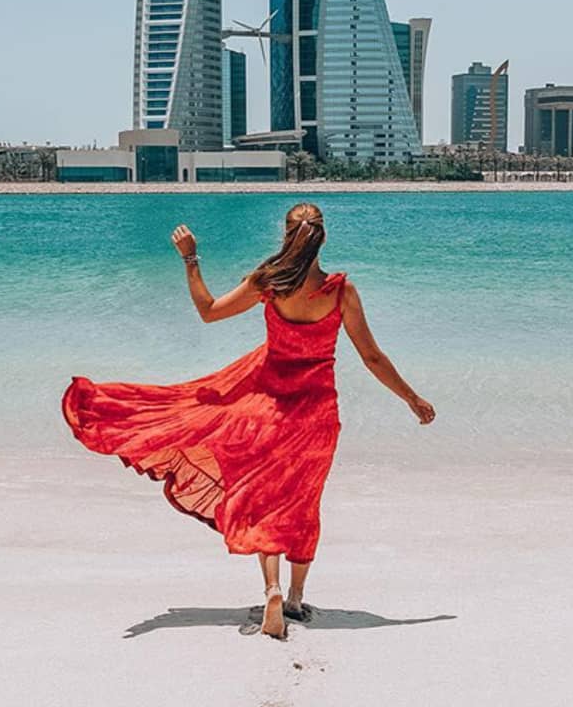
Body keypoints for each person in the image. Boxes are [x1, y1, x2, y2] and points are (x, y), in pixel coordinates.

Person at [62, 202, 435, 639]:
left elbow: (208, 310)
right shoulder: (340, 291)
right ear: (323, 238)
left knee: (264, 498)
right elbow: (371, 356)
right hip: (316, 416)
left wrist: (190, 258)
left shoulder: (268, 282)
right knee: (303, 503)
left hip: (266, 408)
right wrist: (412, 399)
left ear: (285, 235)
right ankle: (295, 600)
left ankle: (272, 589)